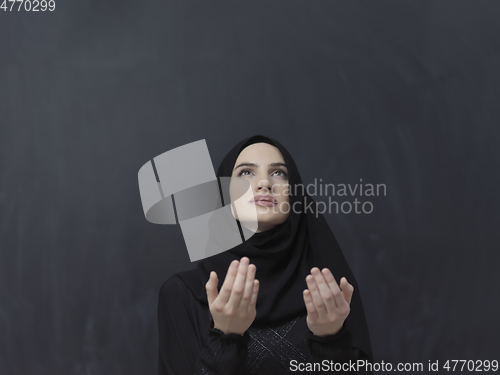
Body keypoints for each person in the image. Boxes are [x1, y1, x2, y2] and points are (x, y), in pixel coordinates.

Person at [157, 135, 373, 374]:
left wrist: (330, 340)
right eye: (246, 173)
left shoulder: (328, 292)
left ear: (295, 194)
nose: (264, 183)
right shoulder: (184, 294)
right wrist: (225, 338)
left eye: (279, 173)